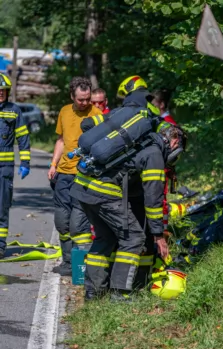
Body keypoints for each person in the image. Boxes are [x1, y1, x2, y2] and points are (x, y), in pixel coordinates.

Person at [70, 75, 169, 302]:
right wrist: (157, 233)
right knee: (133, 237)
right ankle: (119, 294)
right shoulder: (154, 152)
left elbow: (87, 126)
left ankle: (93, 292)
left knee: (104, 237)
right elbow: (153, 199)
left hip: (82, 185)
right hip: (104, 193)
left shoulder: (120, 117)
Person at [47, 77, 102, 276]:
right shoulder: (64, 111)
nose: (85, 103)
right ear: (72, 96)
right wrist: (53, 164)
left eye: (87, 99)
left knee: (78, 223)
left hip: (84, 176)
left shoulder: (97, 115)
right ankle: (68, 263)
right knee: (62, 220)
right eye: (80, 99)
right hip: (63, 174)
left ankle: (83, 268)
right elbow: (61, 140)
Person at [0, 73, 30, 259]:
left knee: (1, 207)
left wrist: (25, 162)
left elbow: (23, 137)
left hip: (4, 168)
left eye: (3, 90)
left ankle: (0, 246)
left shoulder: (14, 110)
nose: (0, 93)